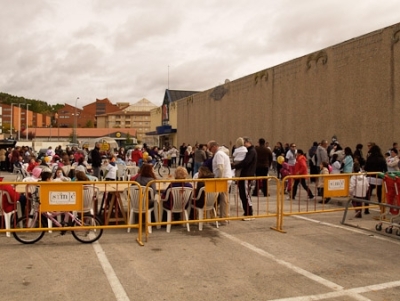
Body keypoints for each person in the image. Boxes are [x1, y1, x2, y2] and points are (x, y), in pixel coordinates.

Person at [207, 140, 232, 221]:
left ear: (214, 147)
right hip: (224, 178)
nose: (209, 151)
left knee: (223, 199)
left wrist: (219, 179)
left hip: (223, 179)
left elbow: (220, 168)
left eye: (210, 149)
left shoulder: (219, 154)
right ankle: (223, 216)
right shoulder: (221, 153)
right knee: (223, 199)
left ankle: (224, 217)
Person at [233, 137, 257, 220]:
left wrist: (235, 166)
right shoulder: (249, 151)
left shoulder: (251, 151)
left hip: (247, 175)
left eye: (245, 142)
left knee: (246, 195)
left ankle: (249, 213)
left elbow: (246, 162)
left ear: (248, 142)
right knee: (243, 194)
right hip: (244, 175)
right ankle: (246, 211)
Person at [364, 144, 387, 214]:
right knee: (380, 194)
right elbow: (385, 169)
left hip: (370, 178)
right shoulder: (382, 159)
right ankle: (381, 208)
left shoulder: (369, 158)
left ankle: (366, 209)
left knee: (368, 194)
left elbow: (366, 168)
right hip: (379, 178)